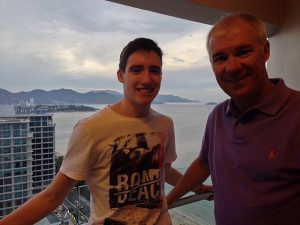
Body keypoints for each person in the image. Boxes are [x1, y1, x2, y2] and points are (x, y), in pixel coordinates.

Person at [0, 37, 183, 225]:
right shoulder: (90, 129)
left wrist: (198, 186)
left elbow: (164, 170)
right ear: (121, 75)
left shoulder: (165, 124)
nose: (147, 79)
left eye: (155, 70)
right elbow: (52, 197)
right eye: (136, 70)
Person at [167, 12, 300, 225]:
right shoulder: (218, 116)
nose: (233, 66)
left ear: (265, 51)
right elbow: (204, 163)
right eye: (220, 58)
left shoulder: (295, 114)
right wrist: (167, 202)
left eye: (243, 52)